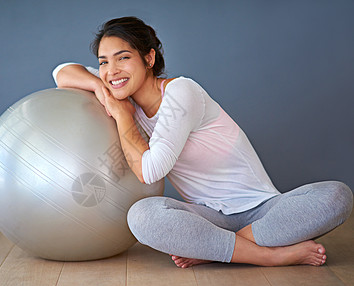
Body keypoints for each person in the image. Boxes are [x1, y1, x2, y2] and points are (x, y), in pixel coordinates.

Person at [53, 16, 353, 268]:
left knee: (336, 196)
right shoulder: (120, 92)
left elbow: (150, 171)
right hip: (208, 217)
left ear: (149, 58)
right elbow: (61, 72)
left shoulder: (182, 92)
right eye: (103, 62)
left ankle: (219, 250)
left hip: (263, 210)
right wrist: (103, 92)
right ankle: (267, 256)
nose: (111, 71)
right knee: (142, 216)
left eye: (123, 58)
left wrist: (122, 116)